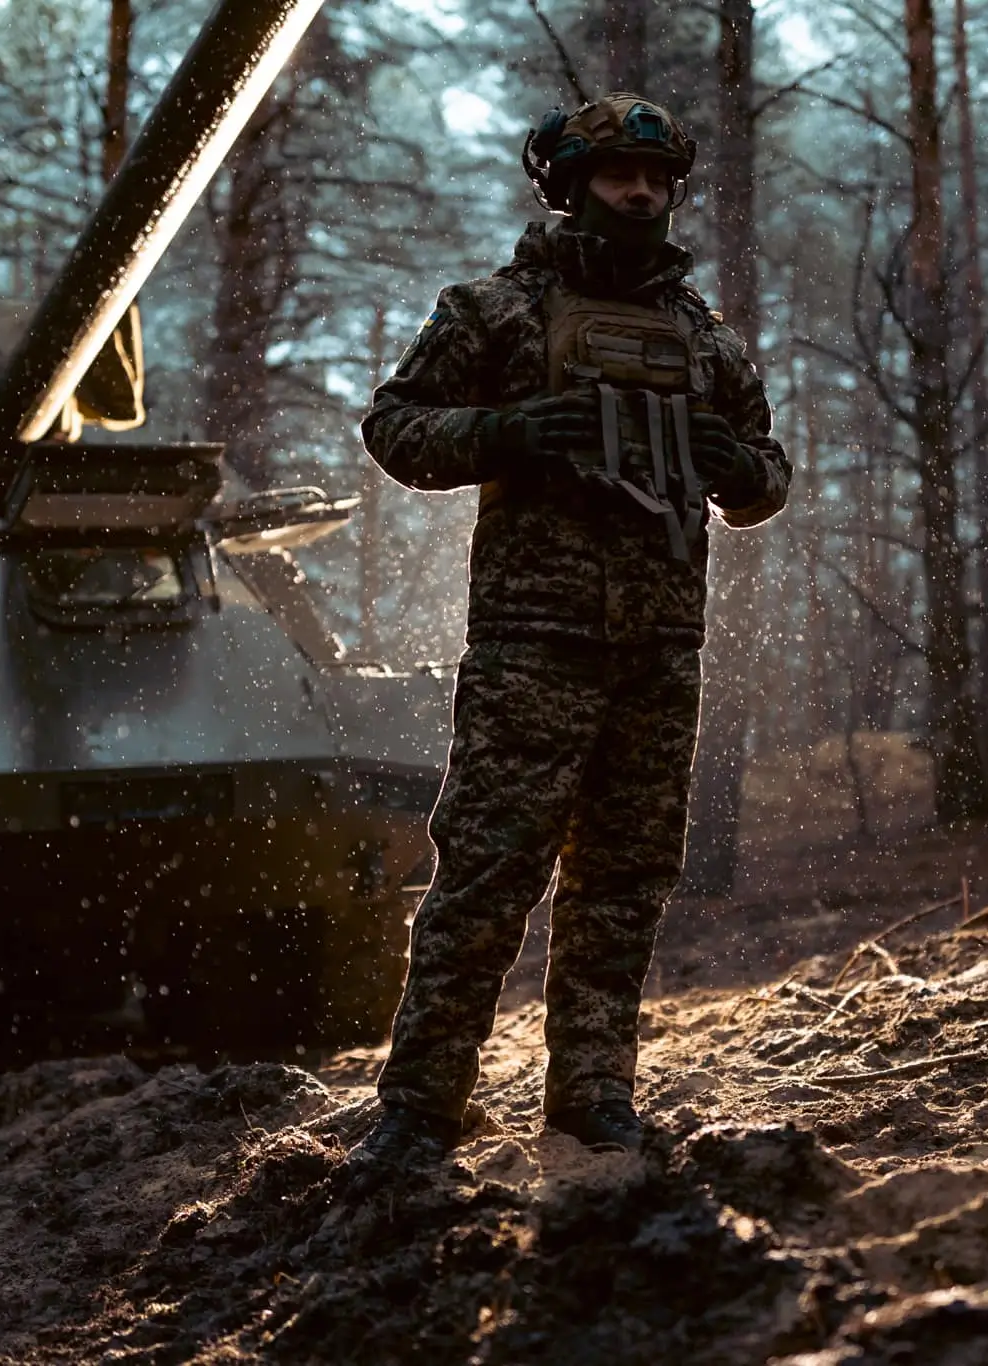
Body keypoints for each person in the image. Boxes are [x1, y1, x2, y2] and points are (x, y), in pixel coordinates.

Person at [349, 92, 791, 1168]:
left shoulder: (703, 338)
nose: (638, 192)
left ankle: (591, 1092)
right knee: (488, 877)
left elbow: (765, 471)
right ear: (568, 186)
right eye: (613, 174)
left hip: (658, 652)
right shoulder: (491, 313)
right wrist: (503, 433)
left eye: (653, 177)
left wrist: (743, 476)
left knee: (624, 882)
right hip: (530, 647)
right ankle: (419, 1106)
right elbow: (393, 427)